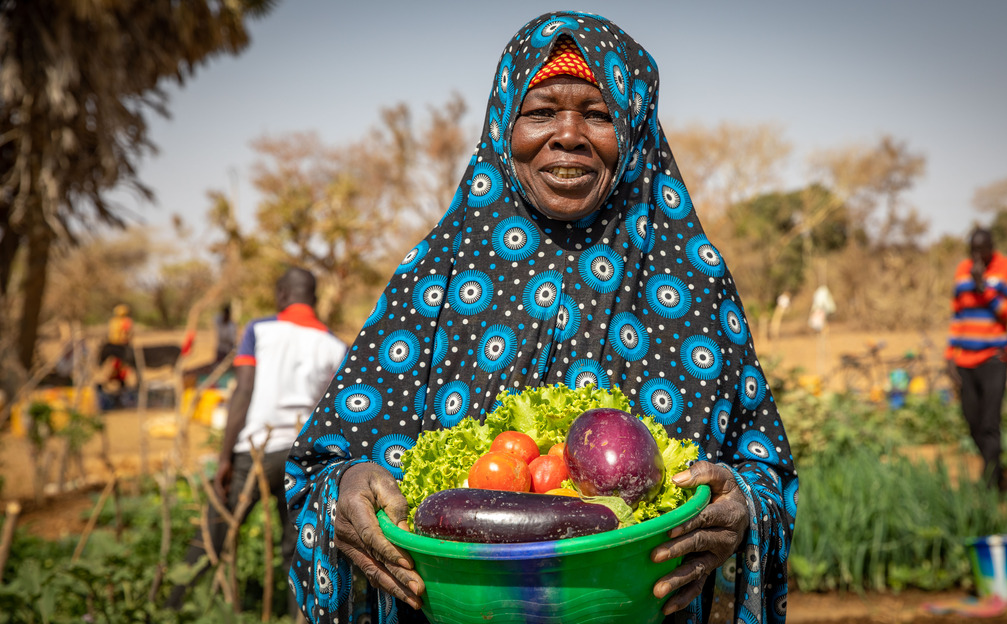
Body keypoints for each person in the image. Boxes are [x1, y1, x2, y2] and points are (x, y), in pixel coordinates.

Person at [286, 12, 797, 624]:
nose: (569, 134)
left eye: (599, 114)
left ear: (635, 128)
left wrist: (743, 509)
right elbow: (321, 466)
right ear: (504, 126)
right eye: (540, 112)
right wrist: (344, 492)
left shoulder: (693, 281)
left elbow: (763, 470)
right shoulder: (437, 277)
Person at [169, 267, 348, 618]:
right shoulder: (335, 345)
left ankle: (169, 608)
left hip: (254, 451)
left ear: (282, 295)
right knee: (295, 550)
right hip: (301, 456)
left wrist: (225, 457)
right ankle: (296, 615)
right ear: (313, 298)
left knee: (214, 535)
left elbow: (244, 390)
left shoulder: (259, 330)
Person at [945, 227, 1007, 490]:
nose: (977, 255)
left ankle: (991, 486)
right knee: (973, 423)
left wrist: (984, 289)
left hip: (994, 358)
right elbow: (958, 316)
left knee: (990, 424)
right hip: (965, 360)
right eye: (972, 250)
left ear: (992, 247)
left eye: (982, 250)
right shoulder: (961, 269)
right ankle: (997, 475)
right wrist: (949, 357)